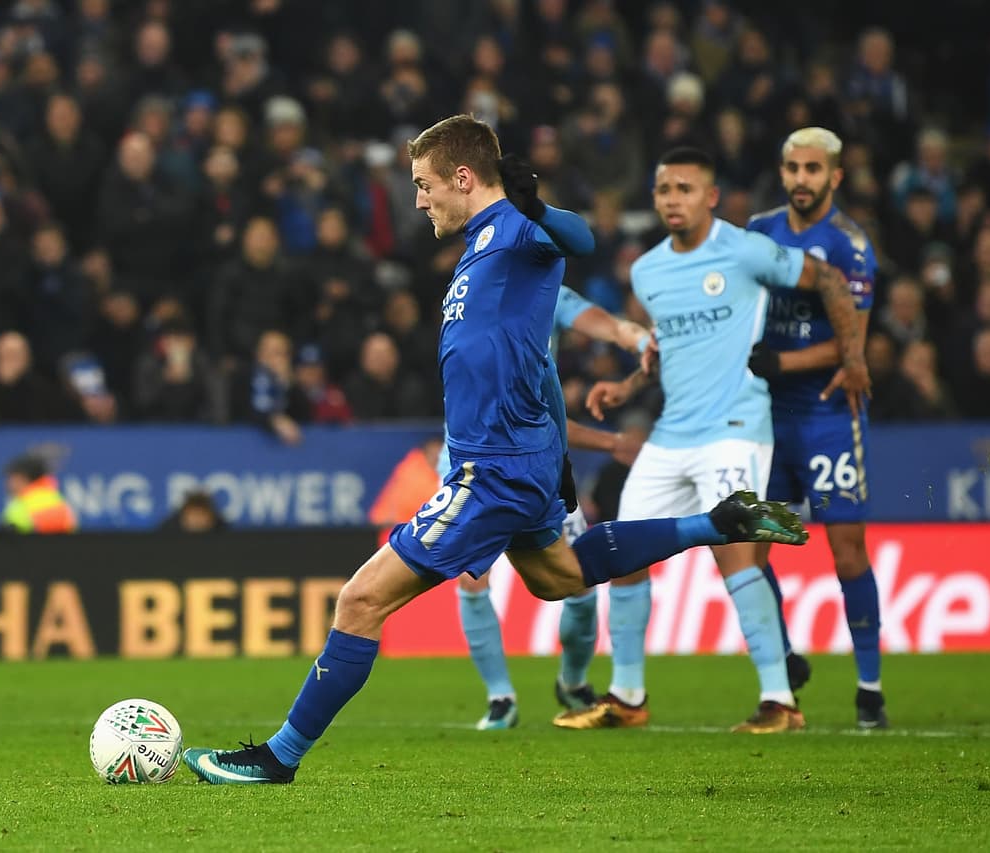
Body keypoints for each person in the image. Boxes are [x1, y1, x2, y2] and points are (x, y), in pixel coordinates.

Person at [182, 115, 808, 785]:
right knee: (557, 576)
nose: (418, 199)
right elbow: (524, 357)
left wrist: (533, 203)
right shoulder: (482, 246)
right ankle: (714, 523)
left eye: (423, 185)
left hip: (493, 468)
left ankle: (278, 757)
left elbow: (582, 236)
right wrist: (556, 451)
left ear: (462, 177)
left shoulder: (515, 229)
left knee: (360, 601)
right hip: (522, 458)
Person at [565, 146, 867, 735]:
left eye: (683, 188)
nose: (671, 199)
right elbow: (667, 347)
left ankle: (780, 701)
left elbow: (828, 278)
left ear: (710, 197)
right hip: (672, 431)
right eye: (662, 189)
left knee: (734, 555)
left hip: (735, 428)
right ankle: (627, 696)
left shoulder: (745, 250)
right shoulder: (648, 270)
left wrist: (851, 355)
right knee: (624, 555)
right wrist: (629, 385)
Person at [456, 284, 653, 731]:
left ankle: (573, 680)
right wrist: (613, 442)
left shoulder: (546, 289)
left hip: (541, 464)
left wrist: (637, 339)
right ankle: (500, 698)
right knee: (473, 578)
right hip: (477, 459)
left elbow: (602, 323)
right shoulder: (470, 290)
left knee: (580, 587)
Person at [744, 127, 887, 729]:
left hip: (827, 412)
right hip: (762, 416)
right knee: (749, 548)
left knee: (846, 546)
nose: (801, 178)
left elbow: (852, 348)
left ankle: (869, 687)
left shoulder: (850, 247)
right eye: (792, 168)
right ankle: (784, 662)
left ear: (835, 177)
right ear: (782, 172)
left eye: (813, 169)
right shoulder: (758, 232)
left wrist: (782, 362)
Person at [0, 453, 78, 534]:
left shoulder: (30, 504)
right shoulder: (55, 499)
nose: (7, 483)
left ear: (22, 478)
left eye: (10, 477)